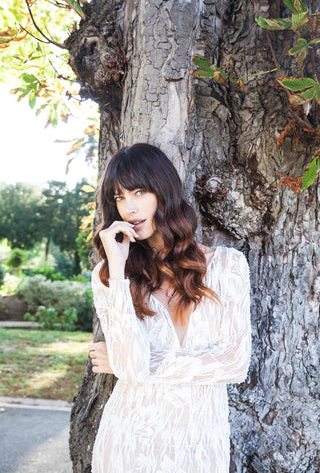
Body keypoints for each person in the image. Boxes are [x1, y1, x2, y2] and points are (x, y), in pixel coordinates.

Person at [88, 143, 251, 473]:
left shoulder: (228, 267)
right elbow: (131, 370)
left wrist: (137, 361)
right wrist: (118, 272)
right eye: (119, 197)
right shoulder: (109, 275)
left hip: (199, 447)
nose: (129, 208)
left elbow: (234, 364)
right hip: (128, 442)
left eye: (139, 191)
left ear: (164, 190)